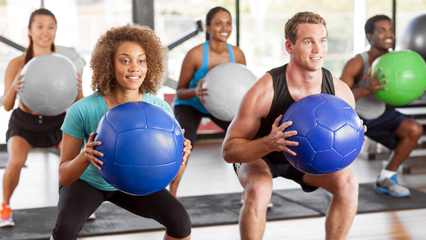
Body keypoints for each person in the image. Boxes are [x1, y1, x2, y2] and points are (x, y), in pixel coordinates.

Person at [222, 11, 360, 240]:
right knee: (259, 189)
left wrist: (353, 137)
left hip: (307, 158)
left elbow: (346, 147)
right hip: (262, 155)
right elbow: (229, 151)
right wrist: (269, 143)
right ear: (290, 46)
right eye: (308, 42)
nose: (318, 50)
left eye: (322, 41)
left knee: (348, 183)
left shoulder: (340, 92)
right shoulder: (264, 91)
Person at [50, 24, 192, 240]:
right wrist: (85, 156)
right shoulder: (83, 109)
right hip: (88, 183)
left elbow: (172, 177)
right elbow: (65, 176)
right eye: (125, 60)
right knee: (65, 230)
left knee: (180, 221)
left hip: (133, 181)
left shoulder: (160, 110)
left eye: (141, 60)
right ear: (109, 64)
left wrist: (181, 157)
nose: (134, 67)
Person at [1, 8, 84, 227]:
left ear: (56, 30)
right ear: (29, 30)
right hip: (24, 123)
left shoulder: (66, 64)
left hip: (56, 122)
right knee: (16, 162)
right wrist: (13, 87)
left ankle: (80, 205)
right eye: (39, 27)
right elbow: (8, 106)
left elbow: (78, 106)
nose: (45, 32)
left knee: (77, 161)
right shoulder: (16, 64)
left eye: (51, 27)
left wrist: (79, 89)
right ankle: (5, 208)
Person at [340, 15, 422, 198]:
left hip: (380, 113)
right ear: (370, 36)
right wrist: (365, 88)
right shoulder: (357, 62)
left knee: (414, 130)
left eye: (391, 30)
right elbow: (338, 99)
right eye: (381, 30)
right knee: (335, 154)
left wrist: (412, 92)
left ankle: (386, 178)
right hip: (352, 117)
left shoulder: (399, 60)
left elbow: (398, 93)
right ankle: (332, 184)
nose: (388, 35)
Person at [171, 6, 247, 197]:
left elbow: (242, 87)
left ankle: (250, 191)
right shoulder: (195, 55)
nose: (225, 27)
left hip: (222, 107)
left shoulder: (237, 55)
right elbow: (179, 93)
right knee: (182, 145)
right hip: (191, 104)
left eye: (228, 23)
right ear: (208, 28)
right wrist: (196, 91)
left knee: (246, 139)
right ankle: (172, 196)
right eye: (218, 23)